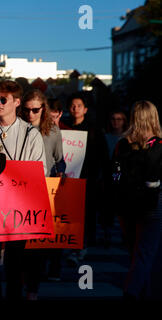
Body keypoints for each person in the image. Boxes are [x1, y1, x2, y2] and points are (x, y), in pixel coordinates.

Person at [0, 80, 46, 300]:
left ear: (16, 102)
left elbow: (41, 171)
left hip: (18, 206)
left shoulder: (31, 134)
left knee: (14, 262)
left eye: (3, 99)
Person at [112, 101, 162, 300]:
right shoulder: (158, 145)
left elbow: (114, 174)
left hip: (126, 204)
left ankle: (143, 294)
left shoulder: (122, 144)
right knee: (146, 255)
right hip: (152, 205)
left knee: (135, 254)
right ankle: (131, 293)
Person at [19, 89, 66, 299]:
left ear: (43, 109)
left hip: (44, 189)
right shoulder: (17, 128)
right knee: (19, 244)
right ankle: (20, 281)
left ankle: (32, 290)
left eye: (35, 110)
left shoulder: (53, 132)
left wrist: (61, 172)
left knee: (36, 246)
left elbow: (59, 158)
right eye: (27, 110)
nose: (30, 114)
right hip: (19, 190)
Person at [62, 93, 105, 265]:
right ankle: (73, 247)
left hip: (88, 179)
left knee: (85, 216)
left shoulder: (94, 130)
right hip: (69, 179)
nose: (75, 108)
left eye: (79, 105)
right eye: (72, 105)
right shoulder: (63, 127)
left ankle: (79, 248)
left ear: (85, 109)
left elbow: (102, 157)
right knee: (70, 216)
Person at [99, 110, 128, 248]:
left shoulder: (129, 137)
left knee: (124, 208)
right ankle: (107, 233)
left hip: (124, 177)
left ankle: (125, 235)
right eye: (113, 119)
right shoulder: (105, 137)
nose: (116, 122)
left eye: (119, 119)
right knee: (107, 207)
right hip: (108, 174)